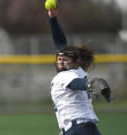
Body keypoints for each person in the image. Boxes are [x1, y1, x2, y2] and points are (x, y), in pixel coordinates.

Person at [47, 1, 111, 135]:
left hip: (78, 129)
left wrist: (89, 84)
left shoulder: (65, 75)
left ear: (75, 62)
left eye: (65, 60)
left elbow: (77, 84)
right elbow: (60, 42)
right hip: (86, 128)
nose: (61, 62)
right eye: (59, 60)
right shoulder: (77, 71)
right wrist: (53, 19)